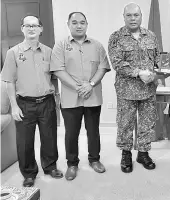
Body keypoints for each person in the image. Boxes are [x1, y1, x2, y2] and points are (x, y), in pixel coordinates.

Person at [1, 15, 63, 187]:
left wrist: (56, 98)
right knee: (25, 142)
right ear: (22, 29)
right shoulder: (13, 53)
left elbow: (55, 77)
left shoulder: (48, 52)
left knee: (49, 137)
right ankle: (28, 173)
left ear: (40, 29)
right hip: (24, 104)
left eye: (34, 26)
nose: (31, 29)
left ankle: (50, 167)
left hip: (47, 102)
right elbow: (9, 81)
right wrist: (13, 106)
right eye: (27, 26)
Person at [50, 12, 110, 181]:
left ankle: (94, 160)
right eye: (74, 22)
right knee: (71, 133)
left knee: (93, 131)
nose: (78, 25)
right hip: (70, 99)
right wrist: (79, 87)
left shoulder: (97, 45)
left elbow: (103, 68)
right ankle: (72, 164)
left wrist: (89, 85)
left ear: (87, 24)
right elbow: (58, 70)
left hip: (93, 96)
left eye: (82, 22)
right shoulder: (60, 46)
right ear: (68, 24)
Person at [108, 3, 162, 173]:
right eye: (129, 15)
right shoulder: (116, 37)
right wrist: (138, 73)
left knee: (147, 123)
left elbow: (158, 59)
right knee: (125, 123)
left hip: (148, 90)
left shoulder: (151, 36)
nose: (133, 18)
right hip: (127, 90)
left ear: (141, 16)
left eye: (136, 15)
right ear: (123, 16)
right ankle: (126, 154)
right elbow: (117, 63)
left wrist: (156, 74)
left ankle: (143, 153)